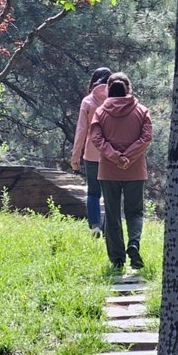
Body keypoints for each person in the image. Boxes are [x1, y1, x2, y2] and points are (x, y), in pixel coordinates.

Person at [90, 72, 152, 271]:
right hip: (135, 170)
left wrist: (116, 157)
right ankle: (133, 243)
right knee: (135, 212)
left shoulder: (100, 112)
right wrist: (128, 157)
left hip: (109, 171)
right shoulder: (142, 111)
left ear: (109, 88)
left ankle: (117, 260)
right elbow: (146, 138)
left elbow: (97, 139)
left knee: (112, 213)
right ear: (129, 88)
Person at [71, 67, 111, 238]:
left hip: (92, 154)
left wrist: (75, 157)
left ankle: (95, 226)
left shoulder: (88, 101)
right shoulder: (118, 100)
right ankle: (109, 227)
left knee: (93, 192)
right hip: (112, 154)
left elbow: (81, 131)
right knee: (111, 193)